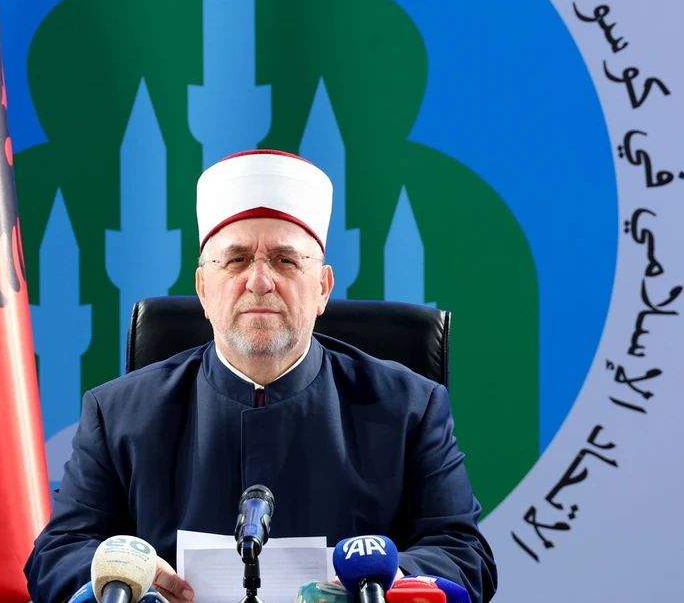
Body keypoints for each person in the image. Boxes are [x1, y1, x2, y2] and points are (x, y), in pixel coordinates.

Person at [24, 150, 496, 603]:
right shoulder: (118, 413)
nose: (259, 281)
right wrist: (118, 577)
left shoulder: (409, 406)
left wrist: (385, 583)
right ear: (203, 289)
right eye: (236, 259)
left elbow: (463, 553)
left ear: (323, 289)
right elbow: (56, 556)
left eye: (285, 260)